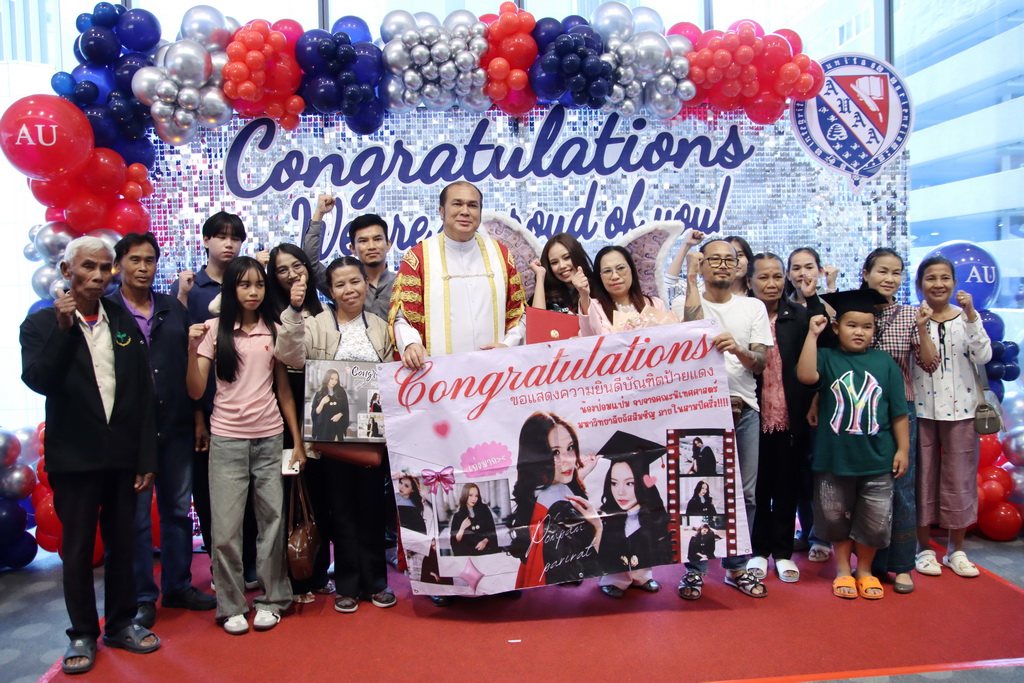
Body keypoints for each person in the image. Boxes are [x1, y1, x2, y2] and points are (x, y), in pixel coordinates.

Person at [21, 236, 160, 674]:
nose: (98, 276)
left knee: (124, 545)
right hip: (74, 459)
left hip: (122, 457)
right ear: (67, 271)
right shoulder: (41, 324)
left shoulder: (120, 318)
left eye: (104, 267)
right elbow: (40, 379)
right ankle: (82, 632)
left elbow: (141, 392)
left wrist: (146, 456)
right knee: (78, 549)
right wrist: (64, 331)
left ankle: (119, 624)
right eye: (87, 267)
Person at [186, 257, 306, 635]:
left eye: (258, 285)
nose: (253, 292)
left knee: (272, 523)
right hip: (226, 440)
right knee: (225, 530)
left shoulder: (274, 328)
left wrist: (297, 441)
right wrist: (190, 350)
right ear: (231, 289)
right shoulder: (213, 330)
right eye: (244, 285)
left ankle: (273, 599)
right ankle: (232, 605)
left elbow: (284, 390)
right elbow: (195, 391)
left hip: (269, 437)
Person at [276, 256, 398, 613]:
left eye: (355, 282)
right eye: (340, 284)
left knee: (372, 508)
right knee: (340, 510)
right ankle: (347, 584)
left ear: (365, 284)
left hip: (371, 436)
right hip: (329, 437)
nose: (349, 290)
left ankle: (376, 583)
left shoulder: (380, 326)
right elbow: (290, 356)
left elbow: (391, 375)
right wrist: (293, 312)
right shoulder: (315, 325)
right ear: (330, 291)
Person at [110, 232, 216, 631]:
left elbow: (192, 365)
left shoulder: (173, 308)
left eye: (149, 260)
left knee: (177, 510)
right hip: (129, 432)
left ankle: (177, 586)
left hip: (176, 424)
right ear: (119, 264)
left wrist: (198, 418)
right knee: (137, 517)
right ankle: (142, 597)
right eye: (135, 260)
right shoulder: (107, 311)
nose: (143, 267)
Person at [797, 289, 910, 600]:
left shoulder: (884, 362)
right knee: (836, 517)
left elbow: (899, 412)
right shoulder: (827, 358)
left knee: (874, 520)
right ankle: (843, 569)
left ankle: (865, 571)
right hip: (834, 458)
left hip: (877, 458)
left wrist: (903, 450)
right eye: (851, 325)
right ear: (836, 327)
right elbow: (805, 376)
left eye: (867, 326)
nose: (859, 332)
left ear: (874, 330)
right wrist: (812, 335)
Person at [677, 240, 772, 600]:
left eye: (728, 260)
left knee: (745, 494)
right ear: (701, 266)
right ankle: (695, 571)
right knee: (699, 492)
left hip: (743, 408)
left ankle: (736, 567)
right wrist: (689, 280)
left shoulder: (753, 307)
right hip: (699, 409)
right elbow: (686, 336)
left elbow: (760, 363)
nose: (721, 265)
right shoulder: (683, 301)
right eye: (712, 259)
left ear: (738, 267)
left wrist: (739, 349)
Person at [171, 211, 257, 587]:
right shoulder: (193, 289)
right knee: (209, 496)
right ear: (206, 240)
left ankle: (252, 563)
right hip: (207, 409)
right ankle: (221, 566)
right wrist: (197, 417)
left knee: (251, 493)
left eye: (235, 238)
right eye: (221, 237)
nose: (228, 244)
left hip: (250, 410)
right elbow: (184, 356)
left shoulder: (251, 284)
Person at [860, 248, 937, 594]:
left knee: (901, 487)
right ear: (866, 273)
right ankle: (870, 564)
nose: (889, 278)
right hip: (859, 409)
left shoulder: (910, 314)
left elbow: (929, 364)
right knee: (865, 488)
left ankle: (903, 565)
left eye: (896, 273)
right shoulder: (852, 311)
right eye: (882, 271)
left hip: (899, 410)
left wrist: (922, 328)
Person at [912, 256, 992, 579]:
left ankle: (956, 549)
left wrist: (972, 316)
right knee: (922, 480)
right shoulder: (913, 318)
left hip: (963, 412)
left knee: (960, 480)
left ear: (955, 283)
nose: (938, 284)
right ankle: (923, 548)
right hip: (921, 411)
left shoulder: (966, 318)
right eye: (931, 278)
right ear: (919, 284)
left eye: (945, 278)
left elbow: (983, 356)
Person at [390, 181, 526, 369]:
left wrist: (508, 346)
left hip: (495, 370)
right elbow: (402, 317)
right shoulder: (419, 257)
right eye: (457, 204)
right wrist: (411, 344)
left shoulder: (501, 255)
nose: (465, 211)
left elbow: (518, 312)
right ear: (441, 211)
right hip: (439, 376)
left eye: (472, 205)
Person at [265, 243, 334, 604]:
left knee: (321, 497)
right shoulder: (270, 312)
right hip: (286, 413)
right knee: (291, 498)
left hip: (324, 412)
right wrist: (295, 439)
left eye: (297, 265)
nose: (292, 274)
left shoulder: (324, 309)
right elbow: (283, 383)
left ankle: (318, 571)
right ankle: (295, 578)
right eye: (282, 269)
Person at [747, 253, 814, 584]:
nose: (771, 283)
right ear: (749, 282)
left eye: (777, 276)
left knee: (788, 486)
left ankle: (784, 553)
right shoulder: (744, 316)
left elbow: (813, 362)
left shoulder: (798, 316)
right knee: (758, 488)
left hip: (791, 414)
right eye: (763, 277)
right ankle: (758, 550)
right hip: (753, 414)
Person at [508, 412, 603, 589]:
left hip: (536, 578)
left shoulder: (535, 490)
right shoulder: (561, 509)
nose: (568, 460)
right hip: (559, 589)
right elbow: (588, 564)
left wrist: (582, 474)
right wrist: (598, 526)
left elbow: (555, 488)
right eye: (555, 452)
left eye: (570, 448)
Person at [785, 247, 836, 561]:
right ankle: (805, 531)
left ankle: (822, 536)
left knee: (819, 469)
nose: (802, 273)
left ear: (818, 270)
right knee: (798, 472)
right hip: (788, 399)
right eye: (796, 268)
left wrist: (816, 398)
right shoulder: (782, 307)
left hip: (820, 399)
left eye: (808, 267)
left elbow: (828, 353)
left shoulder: (826, 307)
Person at [595, 432, 671, 598]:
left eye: (630, 483)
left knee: (645, 536)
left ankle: (642, 577)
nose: (620, 492)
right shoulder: (605, 515)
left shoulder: (653, 512)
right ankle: (613, 580)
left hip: (644, 518)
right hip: (614, 529)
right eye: (614, 483)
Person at [303, 194, 396, 320]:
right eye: (363, 241)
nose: (371, 246)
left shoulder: (403, 284)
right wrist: (319, 214)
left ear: (388, 244)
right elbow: (310, 264)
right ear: (353, 249)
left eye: (377, 239)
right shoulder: (342, 284)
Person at [581, 245, 674, 336]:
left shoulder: (655, 304)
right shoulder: (593, 307)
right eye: (607, 271)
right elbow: (590, 339)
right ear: (599, 277)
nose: (615, 276)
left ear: (632, 270)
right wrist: (584, 295)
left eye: (620, 268)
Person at [394, 474, 451, 586]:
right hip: (403, 532)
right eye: (401, 483)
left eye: (406, 485)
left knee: (422, 558)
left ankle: (431, 578)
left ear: (412, 489)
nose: (401, 487)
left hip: (415, 532)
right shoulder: (396, 497)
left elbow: (422, 522)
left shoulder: (418, 504)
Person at [528, 233, 596, 314]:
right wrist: (540, 275)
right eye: (554, 262)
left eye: (567, 257)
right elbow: (537, 319)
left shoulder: (599, 288)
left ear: (577, 255)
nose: (562, 266)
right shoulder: (547, 296)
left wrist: (584, 294)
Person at [449, 484, 499, 556]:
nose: (474, 499)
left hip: (485, 553)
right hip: (467, 555)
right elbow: (454, 541)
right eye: (470, 495)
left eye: (476, 496)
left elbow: (492, 531)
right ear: (465, 495)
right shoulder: (458, 516)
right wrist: (462, 529)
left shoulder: (484, 510)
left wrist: (485, 541)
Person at [310, 369, 349, 442]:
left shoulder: (341, 392)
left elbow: (345, 409)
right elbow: (315, 413)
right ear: (327, 378)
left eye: (336, 380)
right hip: (324, 427)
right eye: (332, 379)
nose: (334, 381)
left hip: (337, 426)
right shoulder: (319, 394)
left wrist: (340, 414)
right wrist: (322, 403)